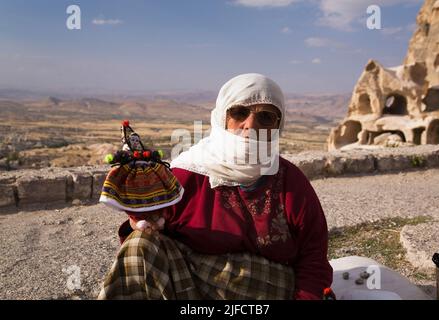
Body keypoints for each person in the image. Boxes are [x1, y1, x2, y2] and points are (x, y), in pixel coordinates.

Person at [98, 73, 333, 300]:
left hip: (267, 289)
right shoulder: (184, 176)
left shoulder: (290, 181)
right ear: (222, 117)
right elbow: (150, 244)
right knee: (139, 245)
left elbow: (313, 258)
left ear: (278, 127)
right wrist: (141, 223)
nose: (249, 125)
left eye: (265, 117)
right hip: (190, 286)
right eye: (239, 112)